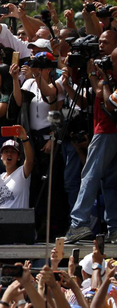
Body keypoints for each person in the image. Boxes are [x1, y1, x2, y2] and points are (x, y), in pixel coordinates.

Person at [65, 52, 117, 243]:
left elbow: (107, 101)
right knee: (110, 182)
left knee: (91, 175)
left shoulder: (106, 77)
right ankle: (114, 228)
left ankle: (79, 224)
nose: (106, 60)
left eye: (111, 57)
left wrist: (98, 76)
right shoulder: (110, 76)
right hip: (105, 130)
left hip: (106, 131)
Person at [0, 126, 34, 209]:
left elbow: (30, 160)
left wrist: (25, 139)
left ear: (18, 157)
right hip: (0, 220)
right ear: (1, 156)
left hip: (18, 220)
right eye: (6, 151)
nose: (9, 154)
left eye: (13, 151)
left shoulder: (22, 172)